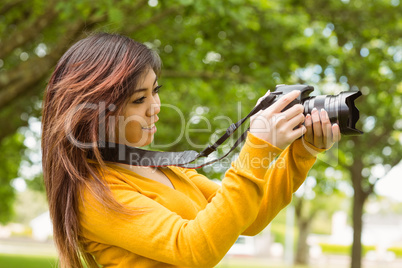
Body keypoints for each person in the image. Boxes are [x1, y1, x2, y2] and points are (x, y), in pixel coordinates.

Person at [41, 32, 340, 268]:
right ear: (94, 113)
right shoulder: (93, 194)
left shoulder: (159, 167)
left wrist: (304, 151)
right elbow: (194, 248)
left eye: (155, 92)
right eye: (138, 100)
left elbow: (247, 217)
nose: (155, 108)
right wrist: (259, 145)